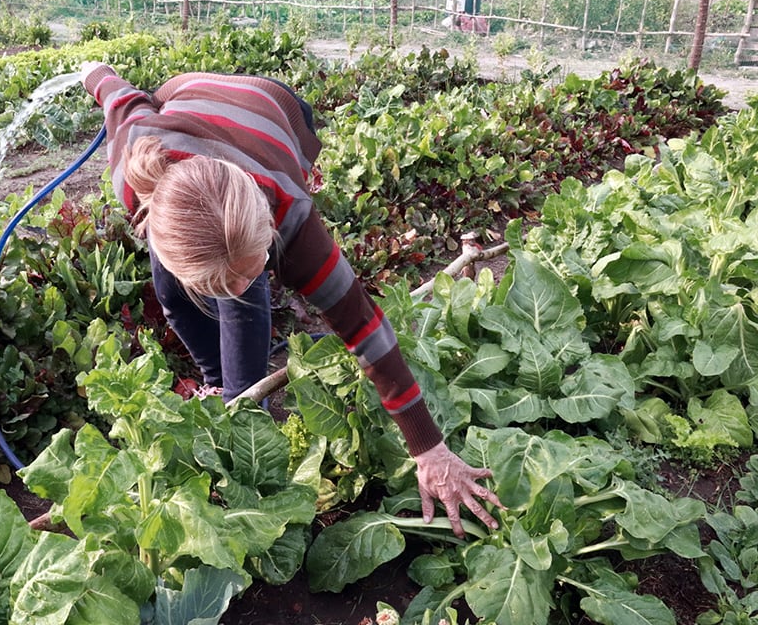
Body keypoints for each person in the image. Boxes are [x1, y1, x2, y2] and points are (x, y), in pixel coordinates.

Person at [79, 63, 504, 538]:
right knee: (171, 293)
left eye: (254, 264)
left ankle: (242, 409)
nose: (238, 287)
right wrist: (94, 72)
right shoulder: (136, 158)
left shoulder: (292, 217)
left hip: (271, 108)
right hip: (185, 96)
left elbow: (365, 328)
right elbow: (120, 96)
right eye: (222, 282)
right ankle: (218, 381)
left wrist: (429, 449)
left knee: (244, 300)